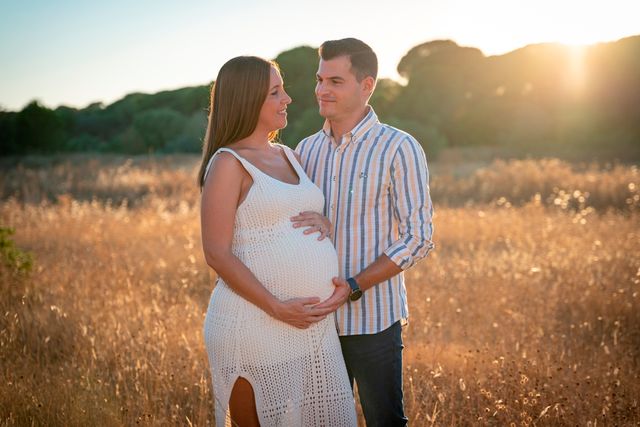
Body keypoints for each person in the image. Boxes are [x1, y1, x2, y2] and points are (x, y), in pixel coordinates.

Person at [199, 56, 357, 427]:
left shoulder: (289, 154)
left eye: (282, 89)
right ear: (246, 100)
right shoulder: (227, 163)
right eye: (275, 92)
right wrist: (276, 307)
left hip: (310, 328)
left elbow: (290, 218)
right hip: (254, 324)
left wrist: (326, 224)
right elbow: (217, 254)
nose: (288, 98)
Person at [293, 38, 435, 426]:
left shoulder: (398, 147)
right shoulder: (304, 150)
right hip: (315, 322)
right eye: (320, 79)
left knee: (384, 422)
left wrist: (354, 284)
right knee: (319, 421)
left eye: (336, 81)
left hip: (373, 322)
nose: (322, 90)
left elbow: (418, 238)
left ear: (367, 85)